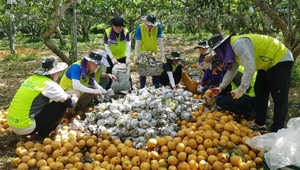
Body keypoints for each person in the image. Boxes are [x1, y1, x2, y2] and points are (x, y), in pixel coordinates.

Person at [208, 34, 294, 132]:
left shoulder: (238, 45)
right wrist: (221, 87)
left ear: (222, 46)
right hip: (265, 64)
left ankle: (277, 130)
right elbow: (232, 70)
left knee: (279, 96)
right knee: (260, 91)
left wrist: (241, 89)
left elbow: (250, 67)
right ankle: (260, 124)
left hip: (280, 59)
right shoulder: (232, 51)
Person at [7, 58, 78, 141]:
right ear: (53, 73)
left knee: (58, 100)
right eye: (58, 72)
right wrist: (74, 97)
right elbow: (69, 103)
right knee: (61, 105)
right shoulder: (49, 84)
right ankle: (41, 136)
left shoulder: (31, 79)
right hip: (25, 126)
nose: (59, 74)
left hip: (12, 124)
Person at [134, 13, 164, 88]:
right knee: (143, 70)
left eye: (152, 25)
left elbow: (160, 41)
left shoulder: (157, 28)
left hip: (154, 52)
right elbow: (137, 42)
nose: (150, 26)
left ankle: (156, 86)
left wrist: (162, 53)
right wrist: (136, 54)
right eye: (149, 24)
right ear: (145, 22)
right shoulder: (140, 28)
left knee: (156, 70)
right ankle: (142, 87)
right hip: (143, 52)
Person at [103, 16, 131, 89]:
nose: (119, 29)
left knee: (126, 73)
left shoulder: (125, 31)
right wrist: (112, 58)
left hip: (122, 55)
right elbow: (106, 46)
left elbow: (128, 44)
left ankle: (129, 88)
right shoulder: (107, 31)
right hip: (111, 56)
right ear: (112, 26)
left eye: (120, 27)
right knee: (110, 73)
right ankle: (108, 90)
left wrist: (128, 57)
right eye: (116, 27)